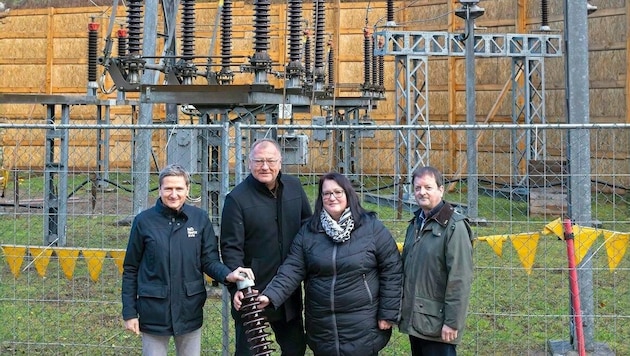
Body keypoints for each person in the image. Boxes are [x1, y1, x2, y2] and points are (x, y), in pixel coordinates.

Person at [234, 172, 403, 356]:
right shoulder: (309, 232)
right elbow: (292, 269)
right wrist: (270, 296)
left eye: (338, 192)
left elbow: (392, 269)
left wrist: (388, 313)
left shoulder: (371, 228)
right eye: (326, 193)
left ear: (348, 194)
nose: (332, 197)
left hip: (362, 325)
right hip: (323, 328)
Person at [121, 164, 254, 356]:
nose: (173, 194)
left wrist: (228, 274)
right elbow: (131, 269)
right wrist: (130, 313)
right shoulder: (144, 222)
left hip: (189, 309)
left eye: (179, 189)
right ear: (160, 189)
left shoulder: (199, 219)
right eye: (168, 188)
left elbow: (209, 261)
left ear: (187, 189)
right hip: (154, 311)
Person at [220, 138, 312, 356]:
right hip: (253, 293)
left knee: (295, 349)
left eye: (270, 161)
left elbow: (307, 227)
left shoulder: (294, 187)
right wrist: (239, 289)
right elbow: (231, 248)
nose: (265, 166)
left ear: (280, 163)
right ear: (249, 163)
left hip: (288, 291)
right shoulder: (237, 199)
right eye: (259, 161)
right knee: (250, 351)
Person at [399, 166, 474, 356]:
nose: (422, 192)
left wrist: (452, 322)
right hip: (417, 320)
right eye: (417, 188)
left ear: (440, 190)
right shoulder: (415, 224)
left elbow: (460, 279)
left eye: (428, 187)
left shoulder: (454, 227)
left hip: (439, 325)